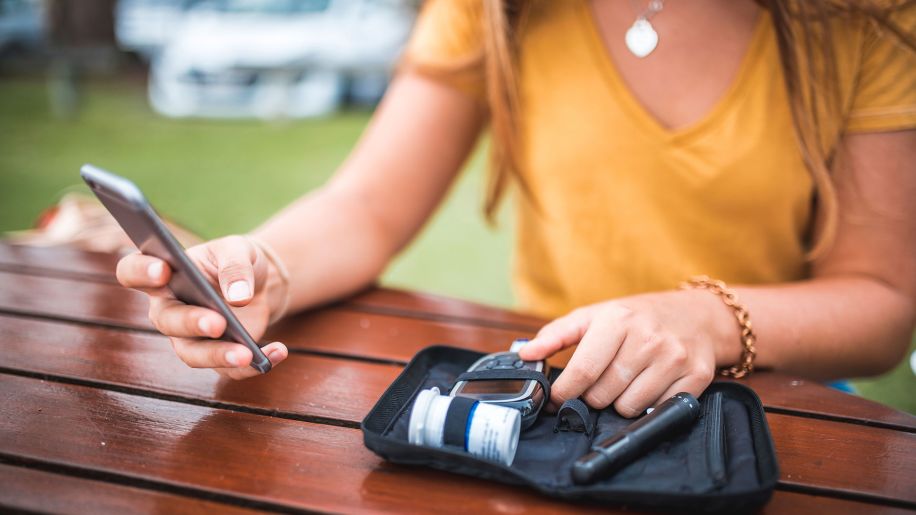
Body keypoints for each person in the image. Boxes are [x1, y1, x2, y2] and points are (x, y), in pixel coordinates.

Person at [116, 0, 915, 417]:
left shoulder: (860, 21)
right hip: (556, 403)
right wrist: (270, 271)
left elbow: (880, 304)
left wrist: (702, 319)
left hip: (772, 404)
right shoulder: (500, 6)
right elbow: (367, 205)